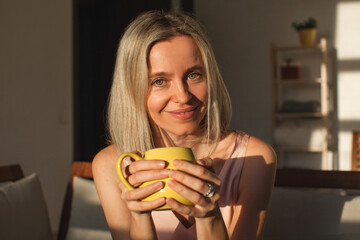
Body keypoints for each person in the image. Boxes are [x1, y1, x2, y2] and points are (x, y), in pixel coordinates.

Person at [92, 10, 276, 240]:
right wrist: (140, 216)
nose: (182, 96)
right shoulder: (113, 165)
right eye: (159, 81)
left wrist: (209, 217)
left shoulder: (255, 159)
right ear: (132, 89)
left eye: (194, 75)